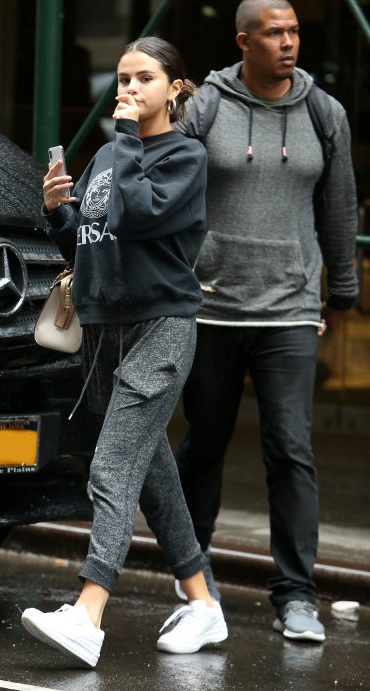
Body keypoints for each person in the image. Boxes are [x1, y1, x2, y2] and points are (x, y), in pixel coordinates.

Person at [21, 37, 228, 668]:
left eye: (144, 78)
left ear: (175, 89)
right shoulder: (111, 154)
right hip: (104, 331)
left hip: (160, 328)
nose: (129, 89)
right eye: (122, 79)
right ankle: (204, 604)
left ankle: (88, 614)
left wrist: (130, 136)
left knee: (112, 468)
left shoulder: (185, 156)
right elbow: (89, 240)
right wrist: (58, 212)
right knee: (153, 475)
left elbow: (137, 214)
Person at [175, 0, 358, 643]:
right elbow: (166, 190)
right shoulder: (206, 107)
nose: (288, 42)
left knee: (291, 449)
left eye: (294, 31)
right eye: (274, 33)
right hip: (212, 304)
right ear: (243, 42)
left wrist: (341, 291)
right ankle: (193, 576)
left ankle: (297, 594)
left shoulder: (324, 113)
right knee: (206, 442)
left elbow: (338, 208)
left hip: (290, 308)